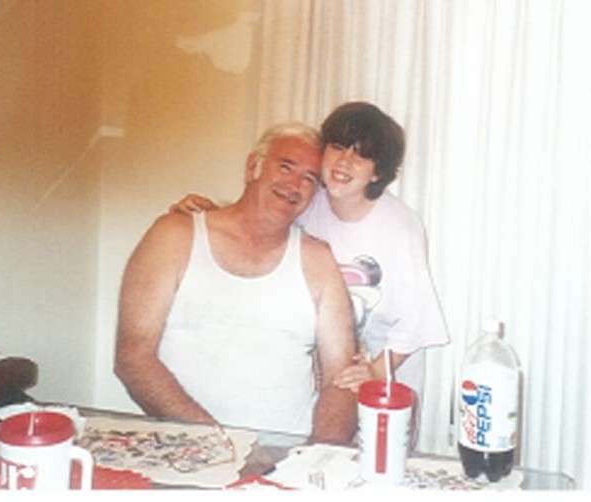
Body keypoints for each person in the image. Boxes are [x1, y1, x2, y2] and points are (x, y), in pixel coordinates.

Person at [171, 102, 450, 423]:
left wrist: (374, 371)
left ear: (377, 172)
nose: (345, 161)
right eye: (338, 147)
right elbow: (255, 225)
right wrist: (208, 213)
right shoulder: (309, 201)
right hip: (327, 371)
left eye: (361, 155)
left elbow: (416, 319)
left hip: (386, 377)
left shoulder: (400, 225)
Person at [114, 122, 357, 445]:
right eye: (285, 167)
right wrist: (219, 446)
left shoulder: (319, 260)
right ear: (252, 167)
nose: (294, 185)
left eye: (309, 179)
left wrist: (314, 459)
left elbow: (342, 379)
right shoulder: (174, 235)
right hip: (187, 450)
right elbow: (132, 358)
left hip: (286, 457)